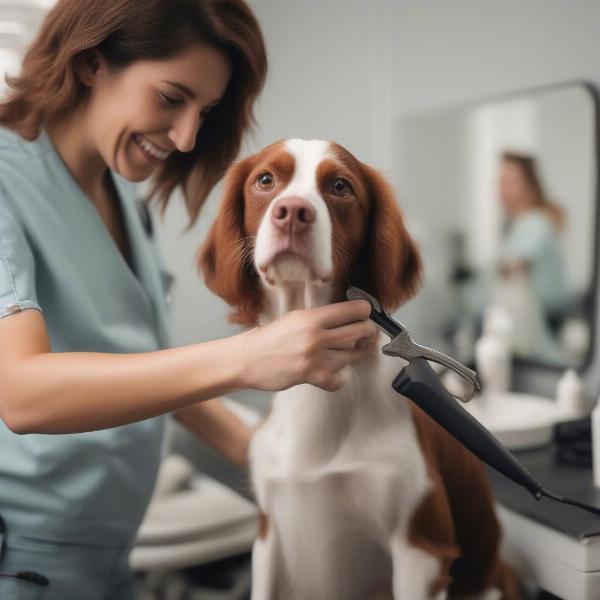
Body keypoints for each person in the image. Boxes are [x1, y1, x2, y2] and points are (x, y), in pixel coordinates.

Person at [0, 1, 376, 598]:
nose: (186, 137)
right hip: (27, 563)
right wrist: (245, 358)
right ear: (93, 62)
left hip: (112, 557)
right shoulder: (5, 182)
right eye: (172, 98)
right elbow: (19, 392)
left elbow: (142, 367)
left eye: (205, 112)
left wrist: (276, 459)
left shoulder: (121, 198)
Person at [496, 152, 569, 333]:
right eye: (500, 180)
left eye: (509, 181)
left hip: (545, 326)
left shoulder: (534, 224)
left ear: (529, 185)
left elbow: (512, 267)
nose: (501, 188)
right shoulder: (519, 224)